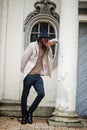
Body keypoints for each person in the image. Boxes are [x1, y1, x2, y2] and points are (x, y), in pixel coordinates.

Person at [20, 32, 58, 124]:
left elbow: (57, 41)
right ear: (39, 39)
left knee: (41, 94)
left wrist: (51, 42)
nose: (46, 40)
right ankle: (24, 116)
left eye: (47, 38)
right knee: (25, 96)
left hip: (37, 76)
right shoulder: (32, 46)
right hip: (29, 75)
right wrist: (24, 71)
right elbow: (24, 58)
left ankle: (30, 113)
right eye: (44, 38)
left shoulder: (47, 47)